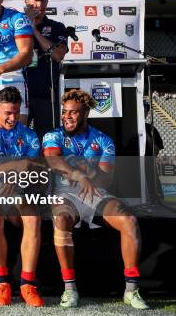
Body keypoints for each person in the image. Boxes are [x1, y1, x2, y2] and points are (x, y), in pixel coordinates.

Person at [42, 89, 149, 309]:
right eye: (65, 112)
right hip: (65, 194)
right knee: (61, 219)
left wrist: (89, 175)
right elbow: (53, 160)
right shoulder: (53, 135)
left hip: (96, 193)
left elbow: (106, 178)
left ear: (86, 113)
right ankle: (70, 290)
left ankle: (131, 290)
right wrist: (79, 174)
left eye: (73, 112)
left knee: (129, 221)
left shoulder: (103, 140)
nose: (67, 117)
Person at [0, 86, 45, 307]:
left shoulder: (29, 134)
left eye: (15, 111)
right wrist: (19, 165)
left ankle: (27, 285)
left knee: (33, 219)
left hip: (18, 191)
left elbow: (35, 167)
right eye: (7, 113)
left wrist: (14, 177)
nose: (12, 117)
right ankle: (2, 284)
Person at [22, 0, 68, 139]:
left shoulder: (56, 27)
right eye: (35, 0)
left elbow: (58, 55)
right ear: (26, 0)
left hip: (46, 95)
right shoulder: (16, 24)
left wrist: (34, 29)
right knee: (18, 140)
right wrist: (25, 24)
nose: (39, 4)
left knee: (47, 140)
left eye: (43, 0)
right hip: (20, 93)